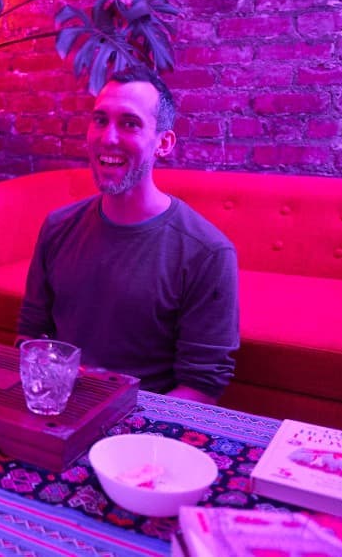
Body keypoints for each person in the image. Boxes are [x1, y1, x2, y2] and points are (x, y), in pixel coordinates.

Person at [16, 66, 239, 404]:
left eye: (130, 124)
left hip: (143, 425)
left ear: (163, 142)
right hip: (59, 407)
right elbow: (30, 335)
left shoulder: (207, 252)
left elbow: (202, 384)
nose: (108, 138)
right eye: (100, 120)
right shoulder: (57, 227)